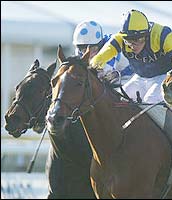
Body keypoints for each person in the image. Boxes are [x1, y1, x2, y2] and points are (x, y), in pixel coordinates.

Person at [90, 9, 172, 159]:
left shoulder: (164, 35)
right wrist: (92, 69)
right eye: (129, 40)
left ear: (147, 35)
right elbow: (98, 59)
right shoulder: (120, 39)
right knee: (117, 101)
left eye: (139, 40)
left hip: (163, 77)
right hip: (139, 77)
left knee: (148, 104)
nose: (133, 45)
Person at [46, 20, 133, 199]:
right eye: (81, 47)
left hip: (132, 87)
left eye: (92, 47)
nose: (87, 51)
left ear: (101, 44)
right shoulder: (80, 59)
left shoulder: (112, 52)